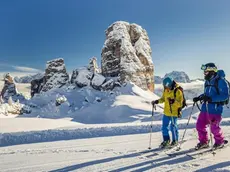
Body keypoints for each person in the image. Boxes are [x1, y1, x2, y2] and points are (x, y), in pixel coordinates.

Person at [193, 63, 229, 150]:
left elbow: (225, 95)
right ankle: (204, 142)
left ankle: (219, 141)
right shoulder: (207, 82)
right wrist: (200, 97)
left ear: (212, 72)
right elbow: (207, 94)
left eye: (206, 72)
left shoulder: (221, 81)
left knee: (214, 128)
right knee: (199, 125)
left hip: (215, 110)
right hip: (205, 108)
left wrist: (211, 99)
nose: (204, 74)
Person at [152, 77, 184, 148]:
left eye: (167, 87)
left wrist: (173, 101)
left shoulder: (178, 91)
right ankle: (166, 140)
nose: (166, 89)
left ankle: (175, 140)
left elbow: (180, 104)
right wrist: (157, 101)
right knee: (164, 127)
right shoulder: (166, 90)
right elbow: (163, 99)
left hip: (174, 113)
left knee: (173, 127)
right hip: (166, 112)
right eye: (165, 87)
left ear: (170, 85)